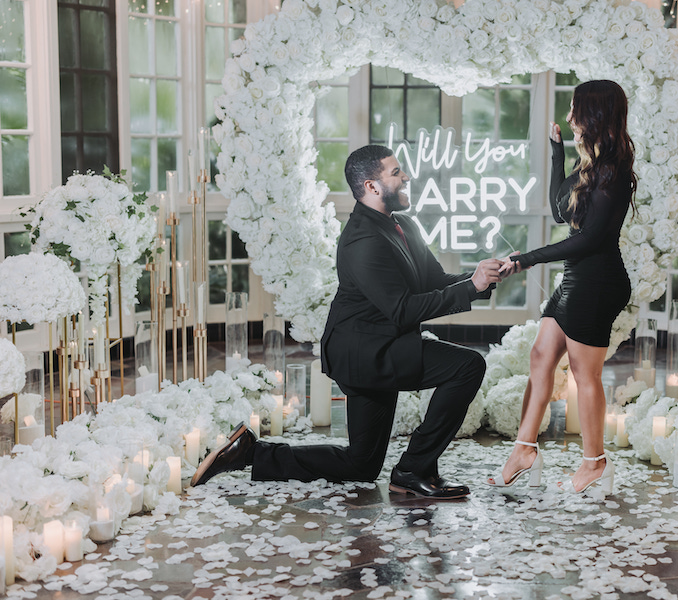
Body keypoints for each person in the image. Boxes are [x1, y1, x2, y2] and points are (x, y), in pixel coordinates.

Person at [192, 145, 507, 499]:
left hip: (382, 345)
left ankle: (251, 453)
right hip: (366, 354)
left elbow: (433, 279)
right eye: (396, 172)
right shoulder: (362, 239)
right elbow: (403, 310)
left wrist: (483, 277)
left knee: (361, 465)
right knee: (467, 366)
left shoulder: (401, 224)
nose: (406, 177)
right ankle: (414, 469)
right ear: (372, 186)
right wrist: (471, 287)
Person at [488, 80, 636, 495]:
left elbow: (589, 240)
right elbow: (559, 211)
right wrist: (557, 153)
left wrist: (527, 258)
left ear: (595, 115)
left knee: (583, 373)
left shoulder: (613, 170)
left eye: (575, 111)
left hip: (599, 281)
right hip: (577, 278)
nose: (569, 118)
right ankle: (523, 452)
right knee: (540, 356)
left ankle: (595, 464)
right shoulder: (589, 165)